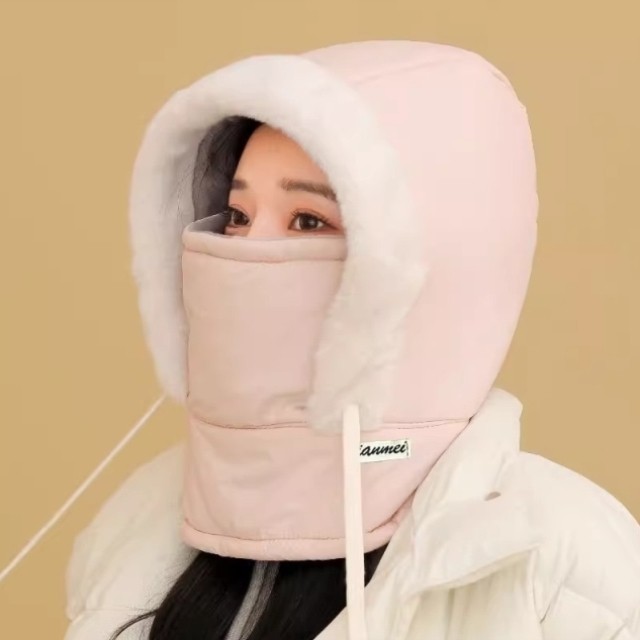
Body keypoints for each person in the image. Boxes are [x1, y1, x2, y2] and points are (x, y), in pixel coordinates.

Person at [64, 41, 640, 640]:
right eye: (237, 216)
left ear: (434, 261)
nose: (247, 252)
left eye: (308, 220)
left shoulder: (557, 562)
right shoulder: (143, 522)